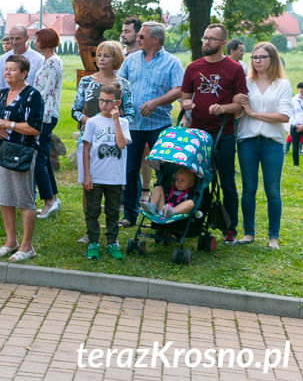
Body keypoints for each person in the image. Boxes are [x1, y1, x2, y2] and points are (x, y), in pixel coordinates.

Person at [180, 23, 245, 244]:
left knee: (227, 183)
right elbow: (185, 96)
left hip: (223, 135)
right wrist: (187, 104)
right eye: (205, 38)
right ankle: (194, 222)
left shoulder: (234, 68)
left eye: (212, 39)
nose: (206, 42)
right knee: (197, 181)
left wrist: (223, 108)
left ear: (222, 43)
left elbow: (240, 104)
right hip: (197, 136)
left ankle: (229, 229)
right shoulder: (193, 67)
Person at [117, 22, 183, 228]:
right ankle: (129, 214)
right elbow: (119, 84)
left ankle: (160, 214)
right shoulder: (131, 60)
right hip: (133, 124)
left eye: (143, 36)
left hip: (159, 125)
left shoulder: (172, 62)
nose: (138, 39)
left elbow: (179, 89)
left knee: (163, 170)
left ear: (156, 40)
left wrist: (156, 102)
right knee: (130, 170)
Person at [71, 40, 135, 243]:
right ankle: (90, 230)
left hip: (113, 141)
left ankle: (111, 231)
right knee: (88, 184)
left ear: (115, 58)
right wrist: (88, 121)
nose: (101, 59)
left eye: (106, 55)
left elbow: (131, 114)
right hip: (89, 139)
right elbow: (75, 109)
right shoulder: (86, 82)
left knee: (112, 187)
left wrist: (114, 124)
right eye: (99, 55)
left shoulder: (123, 84)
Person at [233, 42, 292, 250]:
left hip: (272, 143)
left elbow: (284, 116)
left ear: (272, 59)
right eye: (254, 57)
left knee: (272, 191)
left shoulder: (282, 85)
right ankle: (248, 233)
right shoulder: (246, 82)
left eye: (262, 57)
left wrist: (254, 113)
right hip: (247, 140)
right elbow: (238, 110)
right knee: (248, 188)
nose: (257, 61)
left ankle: (273, 236)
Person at [0, 56, 43, 261]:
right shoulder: (3, 93)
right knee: (5, 196)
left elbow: (35, 128)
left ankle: (26, 246)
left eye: (13, 70)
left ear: (24, 73)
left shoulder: (32, 95)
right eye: (6, 69)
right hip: (2, 150)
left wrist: (8, 125)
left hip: (23, 152)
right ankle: (10, 241)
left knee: (24, 198)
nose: (8, 73)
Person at [81, 83, 131, 260]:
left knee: (113, 212)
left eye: (108, 101)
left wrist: (116, 120)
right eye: (101, 100)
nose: (103, 104)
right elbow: (86, 149)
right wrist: (86, 175)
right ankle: (93, 241)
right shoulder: (92, 122)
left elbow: (121, 144)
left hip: (115, 177)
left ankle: (112, 242)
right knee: (92, 210)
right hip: (95, 176)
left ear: (117, 103)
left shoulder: (123, 123)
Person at [32, 28, 63, 219]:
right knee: (44, 157)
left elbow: (47, 90)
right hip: (44, 113)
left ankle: (48, 201)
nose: (35, 42)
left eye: (37, 39)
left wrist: (33, 108)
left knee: (39, 161)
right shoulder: (48, 61)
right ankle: (54, 197)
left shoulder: (53, 62)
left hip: (45, 114)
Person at [0, 24, 43, 105]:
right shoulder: (3, 59)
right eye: (11, 38)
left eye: (18, 39)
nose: (14, 42)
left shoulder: (38, 60)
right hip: (7, 104)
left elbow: (41, 89)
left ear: (27, 38)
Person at [290, 82, 303, 166]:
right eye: (299, 88)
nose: (301, 90)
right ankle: (296, 164)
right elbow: (291, 113)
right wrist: (296, 125)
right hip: (295, 126)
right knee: (295, 146)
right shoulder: (293, 100)